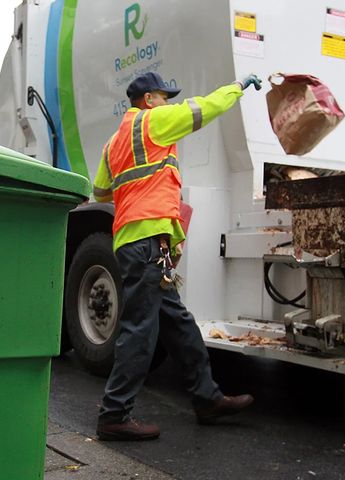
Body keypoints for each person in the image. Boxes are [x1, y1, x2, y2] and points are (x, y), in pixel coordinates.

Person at [93, 71, 262, 441]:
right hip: (148, 240)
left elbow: (100, 190)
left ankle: (207, 398)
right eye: (164, 96)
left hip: (134, 241)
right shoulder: (155, 121)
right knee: (140, 329)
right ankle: (114, 414)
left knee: (179, 323)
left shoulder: (114, 142)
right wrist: (237, 88)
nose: (168, 101)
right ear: (149, 99)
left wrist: (137, 186)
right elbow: (203, 109)